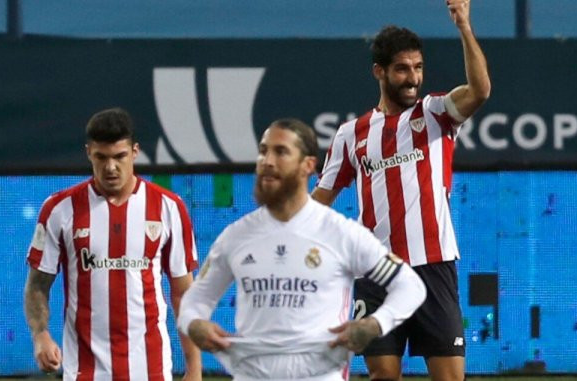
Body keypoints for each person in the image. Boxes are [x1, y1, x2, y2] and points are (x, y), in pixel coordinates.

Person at [312, 1, 491, 380]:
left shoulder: (436, 114)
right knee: (383, 376)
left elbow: (480, 90)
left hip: (434, 266)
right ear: (379, 72)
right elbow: (319, 202)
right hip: (377, 272)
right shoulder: (351, 135)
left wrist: (464, 27)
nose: (412, 78)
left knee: (449, 377)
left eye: (418, 68)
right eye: (402, 69)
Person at [177, 119, 426, 381]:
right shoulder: (236, 237)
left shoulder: (341, 233)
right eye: (263, 151)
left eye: (281, 152)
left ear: (308, 165)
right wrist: (194, 324)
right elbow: (194, 301)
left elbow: (410, 286)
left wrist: (375, 324)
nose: (267, 161)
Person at [23, 108, 202, 380]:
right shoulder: (59, 209)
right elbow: (37, 285)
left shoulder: (168, 208)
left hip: (150, 370)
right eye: (101, 157)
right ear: (88, 153)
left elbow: (183, 294)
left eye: (119, 157)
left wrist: (195, 369)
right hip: (84, 371)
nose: (110, 167)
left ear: (135, 152)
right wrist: (40, 335)